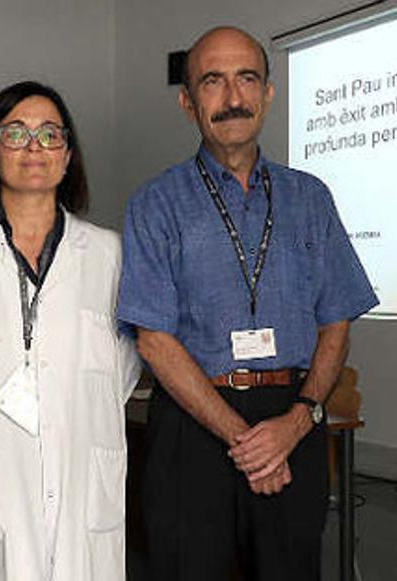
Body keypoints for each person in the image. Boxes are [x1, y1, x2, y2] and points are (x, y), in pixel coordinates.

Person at [117, 27, 379, 580]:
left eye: (247, 79)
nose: (232, 97)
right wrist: (246, 442)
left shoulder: (311, 197)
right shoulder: (155, 205)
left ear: (268, 94)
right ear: (188, 102)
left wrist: (296, 422)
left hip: (295, 418)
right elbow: (154, 341)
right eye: (213, 81)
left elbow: (336, 321)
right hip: (193, 427)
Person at [0, 81, 140, 580]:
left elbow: (120, 373)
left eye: (49, 134)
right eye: (15, 133)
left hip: (83, 488)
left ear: (67, 155)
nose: (34, 147)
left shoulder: (110, 255)